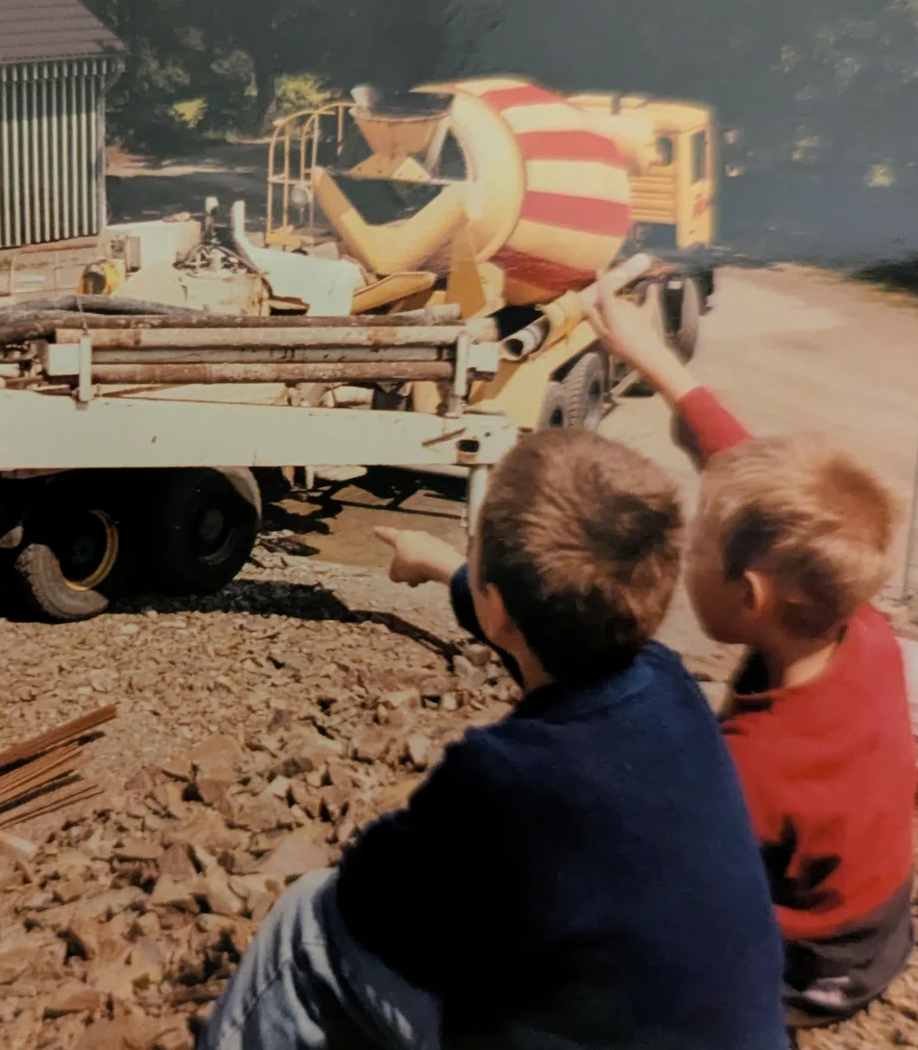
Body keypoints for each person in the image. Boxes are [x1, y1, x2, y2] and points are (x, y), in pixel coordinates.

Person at [200, 429, 788, 1050]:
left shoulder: (503, 773)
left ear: (498, 608)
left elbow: (367, 897)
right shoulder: (669, 682)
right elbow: (543, 632)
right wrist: (443, 568)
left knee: (306, 923)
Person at [585, 274, 918, 1030]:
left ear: (752, 596)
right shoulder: (853, 614)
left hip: (814, 962)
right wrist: (654, 359)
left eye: (697, 550)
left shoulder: (751, 763)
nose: (685, 554)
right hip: (876, 907)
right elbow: (739, 463)